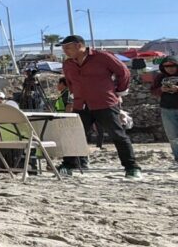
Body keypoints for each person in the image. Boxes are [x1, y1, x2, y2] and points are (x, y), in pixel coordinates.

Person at [58, 35, 141, 178]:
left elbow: (123, 72)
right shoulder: (68, 64)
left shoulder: (103, 57)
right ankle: (68, 165)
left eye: (68, 48)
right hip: (81, 104)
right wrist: (74, 95)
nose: (65, 51)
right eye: (64, 48)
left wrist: (119, 92)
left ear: (79, 45)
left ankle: (132, 167)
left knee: (118, 135)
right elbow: (69, 81)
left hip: (105, 102)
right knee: (74, 135)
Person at [150, 56, 178, 163]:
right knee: (172, 136)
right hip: (167, 109)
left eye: (173, 66)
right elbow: (153, 91)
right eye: (167, 66)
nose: (170, 68)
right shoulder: (160, 77)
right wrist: (161, 89)